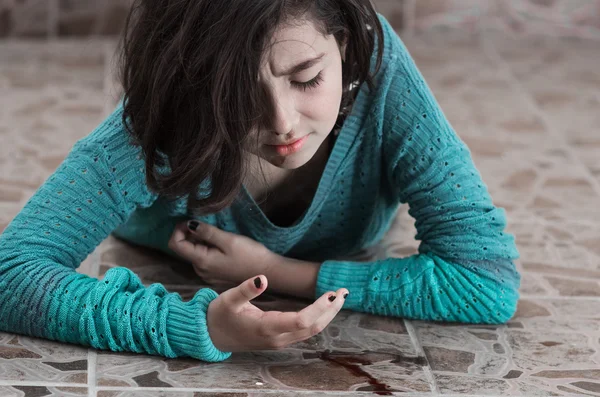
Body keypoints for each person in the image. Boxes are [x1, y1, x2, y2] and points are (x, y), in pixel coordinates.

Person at [0, 0, 521, 363]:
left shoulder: (380, 66)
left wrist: (278, 271)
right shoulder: (164, 111)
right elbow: (11, 275)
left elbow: (485, 281)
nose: (282, 122)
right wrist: (197, 326)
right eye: (237, 96)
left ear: (343, 44)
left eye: (307, 78)